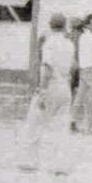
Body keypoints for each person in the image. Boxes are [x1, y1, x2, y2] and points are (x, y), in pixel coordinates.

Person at [20, 13, 75, 174]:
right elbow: (72, 67)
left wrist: (41, 90)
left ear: (50, 26)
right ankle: (60, 164)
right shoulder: (70, 44)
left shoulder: (49, 44)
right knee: (61, 126)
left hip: (51, 85)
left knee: (35, 123)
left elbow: (48, 68)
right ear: (65, 26)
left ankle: (31, 160)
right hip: (65, 86)